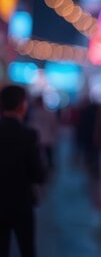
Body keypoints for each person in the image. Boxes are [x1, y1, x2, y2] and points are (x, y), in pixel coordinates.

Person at [0, 85, 46, 257]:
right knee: (27, 249)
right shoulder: (29, 135)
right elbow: (38, 174)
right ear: (22, 105)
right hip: (22, 203)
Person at [27, 96, 58, 170]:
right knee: (47, 154)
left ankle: (43, 167)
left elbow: (31, 125)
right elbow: (54, 125)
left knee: (42, 154)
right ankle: (48, 167)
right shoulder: (48, 113)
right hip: (46, 136)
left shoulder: (34, 113)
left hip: (39, 136)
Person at [76, 98, 101, 180]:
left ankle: (90, 165)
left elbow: (81, 125)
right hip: (96, 135)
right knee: (96, 153)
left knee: (89, 152)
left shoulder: (84, 112)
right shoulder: (98, 113)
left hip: (87, 135)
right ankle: (96, 168)